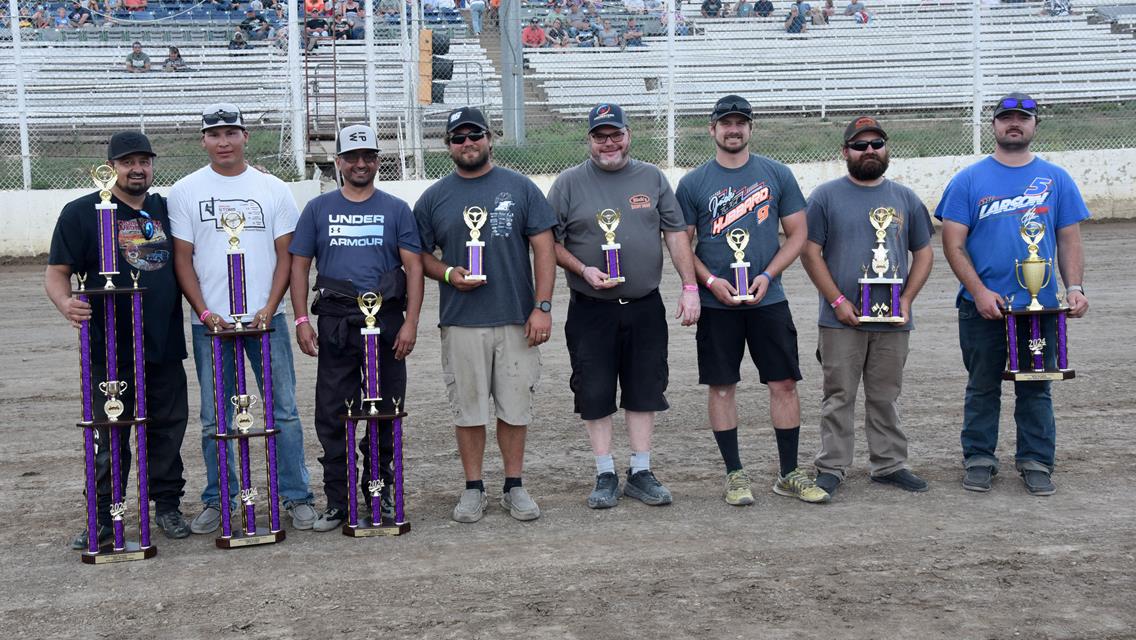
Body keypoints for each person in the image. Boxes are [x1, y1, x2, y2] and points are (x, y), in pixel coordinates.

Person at [168, 103, 317, 533]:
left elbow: (286, 254)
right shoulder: (185, 191)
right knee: (217, 417)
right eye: (215, 134)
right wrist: (204, 312)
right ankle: (220, 498)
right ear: (203, 140)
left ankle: (296, 495)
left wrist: (271, 307)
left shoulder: (272, 189)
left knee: (283, 411)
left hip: (265, 322)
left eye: (231, 132)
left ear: (245, 137)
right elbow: (183, 260)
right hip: (209, 326)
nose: (224, 141)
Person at [675, 95, 828, 506]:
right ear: (712, 129)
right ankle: (735, 474)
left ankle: (789, 472)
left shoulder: (776, 174)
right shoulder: (693, 183)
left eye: (741, 122)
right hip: (716, 304)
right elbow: (679, 243)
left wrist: (766, 274)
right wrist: (708, 283)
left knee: (784, 382)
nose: (733, 129)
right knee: (722, 387)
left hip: (767, 298)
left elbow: (797, 234)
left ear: (750, 128)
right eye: (726, 123)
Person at [935, 92, 1090, 496]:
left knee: (1036, 385)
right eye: (1006, 118)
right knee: (982, 385)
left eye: (1023, 118)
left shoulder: (1056, 179)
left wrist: (1073, 287)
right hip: (981, 307)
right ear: (994, 126)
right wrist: (979, 291)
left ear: (1035, 125)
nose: (1014, 124)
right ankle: (980, 457)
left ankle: (1036, 460)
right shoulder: (969, 180)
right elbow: (953, 243)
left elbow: (1069, 238)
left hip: (1039, 308)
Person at [549, 103, 700, 509]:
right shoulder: (567, 184)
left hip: (643, 304)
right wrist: (583, 269)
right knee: (594, 390)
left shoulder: (651, 178)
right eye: (600, 136)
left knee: (644, 388)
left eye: (616, 134)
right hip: (591, 307)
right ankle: (604, 472)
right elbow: (550, 244)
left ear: (628, 134)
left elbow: (675, 233)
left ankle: (641, 470)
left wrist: (690, 286)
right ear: (589, 140)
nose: (609, 143)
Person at [46, 131, 192, 548]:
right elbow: (57, 272)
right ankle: (106, 516)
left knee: (166, 429)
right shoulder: (81, 212)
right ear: (111, 166)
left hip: (163, 343)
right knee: (110, 434)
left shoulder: (165, 209)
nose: (137, 169)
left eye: (144, 161)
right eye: (128, 162)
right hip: (108, 347)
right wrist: (64, 303)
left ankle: (166, 506)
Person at [413, 107, 556, 523]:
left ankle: (514, 485)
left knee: (515, 408)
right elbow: (419, 255)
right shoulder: (435, 197)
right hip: (461, 321)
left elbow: (544, 248)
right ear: (448, 146)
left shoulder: (520, 187)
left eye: (474, 135)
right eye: (458, 138)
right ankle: (473, 487)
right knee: (469, 409)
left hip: (515, 318)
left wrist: (542, 307)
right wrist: (448, 274)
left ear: (489, 138)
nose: (467, 143)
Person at [290, 125, 424, 531]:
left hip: (386, 321)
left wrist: (411, 323)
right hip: (336, 321)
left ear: (377, 162)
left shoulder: (396, 208)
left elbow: (414, 267)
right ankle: (339, 500)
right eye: (352, 157)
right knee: (334, 412)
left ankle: (379, 495)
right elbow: (299, 265)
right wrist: (300, 319)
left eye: (368, 156)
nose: (361, 163)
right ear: (339, 163)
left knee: (385, 408)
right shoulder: (318, 209)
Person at [800, 116, 934, 497]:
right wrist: (837, 301)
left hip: (893, 320)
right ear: (845, 152)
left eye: (877, 143)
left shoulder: (905, 198)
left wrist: (906, 299)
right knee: (838, 394)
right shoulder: (825, 197)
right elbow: (810, 253)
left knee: (885, 394)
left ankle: (889, 464)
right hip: (840, 319)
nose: (869, 150)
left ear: (886, 148)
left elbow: (924, 253)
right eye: (860, 145)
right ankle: (832, 465)